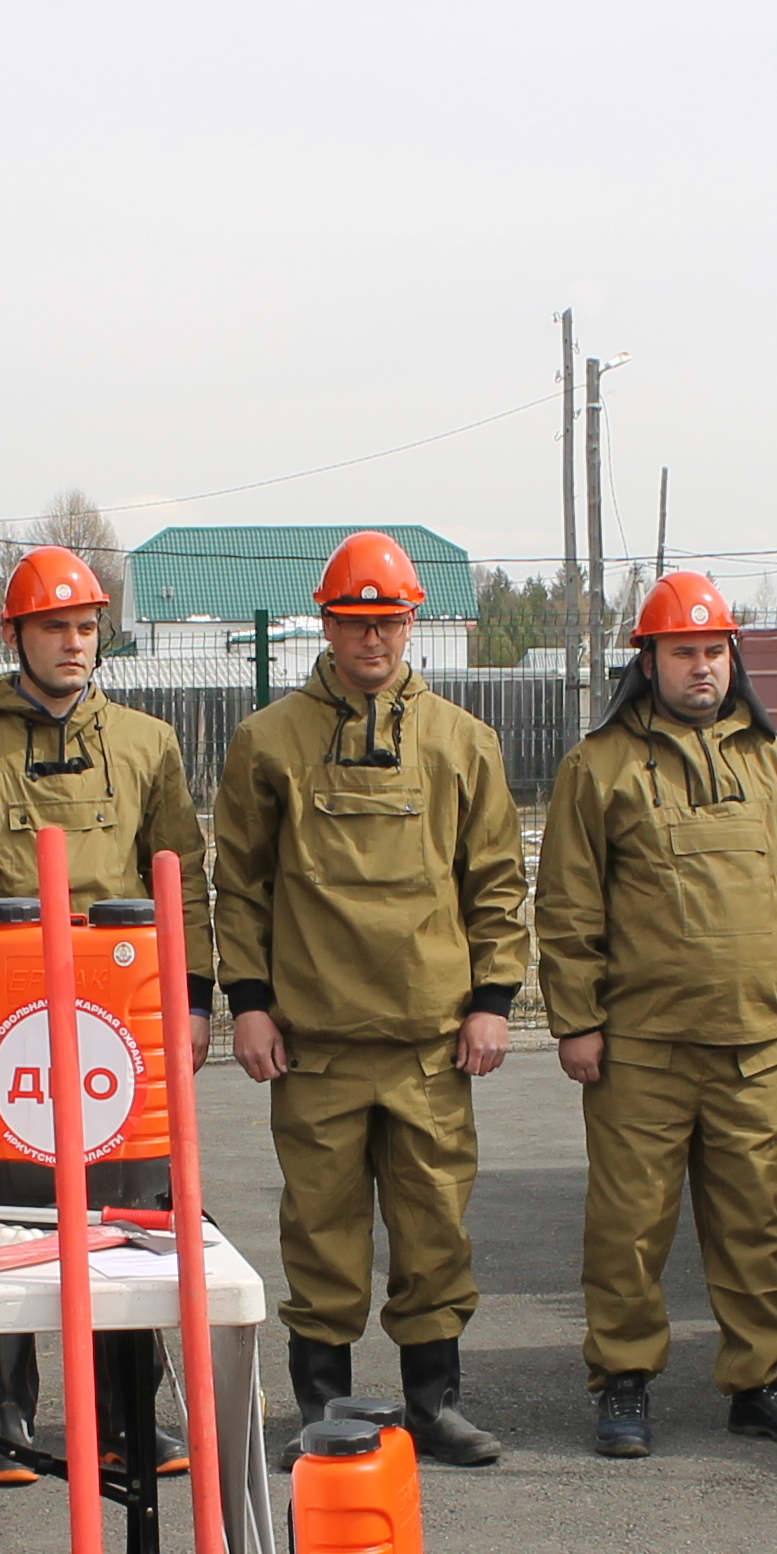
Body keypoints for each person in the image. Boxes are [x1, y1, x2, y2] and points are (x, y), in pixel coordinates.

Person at [0, 542, 214, 1487]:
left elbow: (182, 882)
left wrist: (193, 1000)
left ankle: (128, 1420)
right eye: (55, 628)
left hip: (122, 1017)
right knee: (1, 1214)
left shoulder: (148, 743)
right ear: (15, 635)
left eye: (86, 627)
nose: (74, 644)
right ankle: (3, 1418)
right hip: (6, 1024)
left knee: (131, 1215)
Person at [216, 531, 527, 1459]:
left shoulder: (463, 742)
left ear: (411, 623)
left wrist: (493, 1002)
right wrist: (252, 1004)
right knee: (321, 1228)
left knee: (435, 1225)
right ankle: (325, 1410)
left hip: (433, 1041)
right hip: (314, 1044)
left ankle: (433, 1405)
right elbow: (240, 884)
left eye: (388, 622)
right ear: (328, 622)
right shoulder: (269, 741)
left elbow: (498, 882)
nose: (373, 641)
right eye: (356, 623)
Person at [536, 569, 777, 1456]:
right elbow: (567, 905)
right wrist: (577, 1021)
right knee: (629, 1229)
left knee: (755, 1223)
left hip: (754, 1046)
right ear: (650, 660)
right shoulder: (601, 767)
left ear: (731, 657)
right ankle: (624, 1384)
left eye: (713, 651)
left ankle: (763, 1384)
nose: (700, 668)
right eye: (683, 653)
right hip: (641, 1052)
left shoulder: (772, 762)